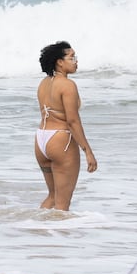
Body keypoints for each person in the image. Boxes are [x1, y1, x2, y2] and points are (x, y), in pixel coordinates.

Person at [35, 41, 97, 210]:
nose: (76, 61)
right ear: (60, 62)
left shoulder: (44, 83)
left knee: (52, 197)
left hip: (41, 140)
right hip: (61, 141)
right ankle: (56, 229)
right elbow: (72, 121)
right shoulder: (67, 85)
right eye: (72, 57)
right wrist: (88, 151)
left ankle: (36, 226)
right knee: (63, 204)